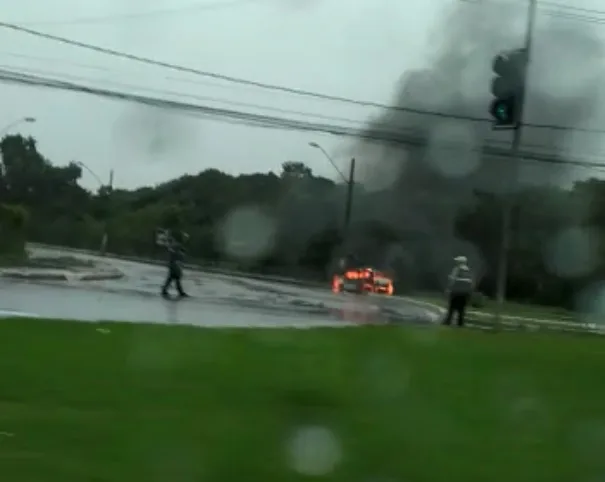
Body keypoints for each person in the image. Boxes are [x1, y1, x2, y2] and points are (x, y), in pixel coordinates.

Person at [443, 255, 474, 327]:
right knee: (461, 309)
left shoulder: (457, 269)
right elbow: (471, 283)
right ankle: (460, 323)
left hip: (456, 292)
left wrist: (448, 289)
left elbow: (452, 280)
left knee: (452, 308)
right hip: (465, 293)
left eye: (457, 261)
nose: (456, 262)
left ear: (460, 262)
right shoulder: (468, 271)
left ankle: (448, 322)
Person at [161, 231, 189, 298]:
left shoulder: (178, 245)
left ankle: (165, 290)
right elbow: (172, 251)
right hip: (174, 263)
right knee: (176, 278)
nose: (186, 239)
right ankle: (180, 292)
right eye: (185, 238)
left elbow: (173, 251)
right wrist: (177, 255)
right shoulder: (177, 245)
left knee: (172, 278)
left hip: (174, 263)